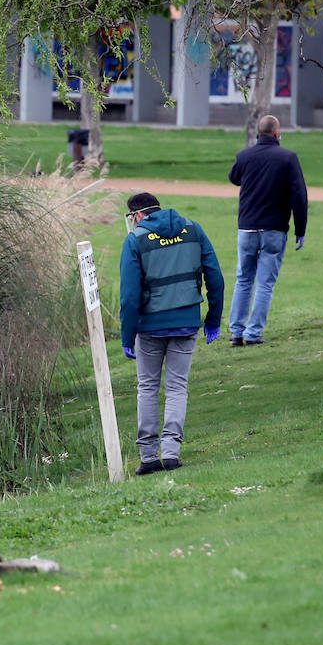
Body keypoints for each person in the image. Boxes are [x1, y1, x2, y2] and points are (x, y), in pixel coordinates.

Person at [119, 192, 225, 476]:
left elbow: (129, 297)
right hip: (186, 321)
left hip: (149, 327)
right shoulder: (193, 229)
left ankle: (148, 456)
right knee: (177, 387)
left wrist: (127, 337)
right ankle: (171, 452)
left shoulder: (135, 240)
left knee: (148, 388)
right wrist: (212, 319)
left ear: (137, 215)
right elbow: (215, 277)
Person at [227, 114, 308, 346]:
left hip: (247, 228)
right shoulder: (287, 158)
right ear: (276, 133)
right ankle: (253, 333)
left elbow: (234, 177)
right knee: (264, 283)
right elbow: (299, 196)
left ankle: (236, 331)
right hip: (274, 228)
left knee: (243, 279)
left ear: (257, 133)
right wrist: (300, 230)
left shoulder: (244, 156)